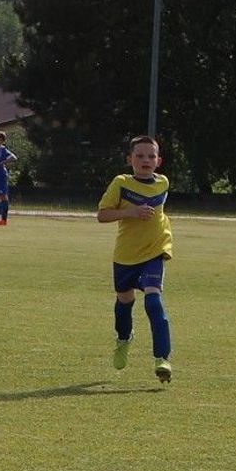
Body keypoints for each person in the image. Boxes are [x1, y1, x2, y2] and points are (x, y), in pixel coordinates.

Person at [96, 135, 175, 382]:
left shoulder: (163, 182)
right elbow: (102, 215)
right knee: (124, 303)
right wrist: (130, 212)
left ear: (159, 161)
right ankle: (123, 339)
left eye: (151, 156)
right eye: (139, 156)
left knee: (153, 302)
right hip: (126, 255)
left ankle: (162, 359)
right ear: (129, 159)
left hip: (155, 251)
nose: (145, 160)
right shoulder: (121, 183)